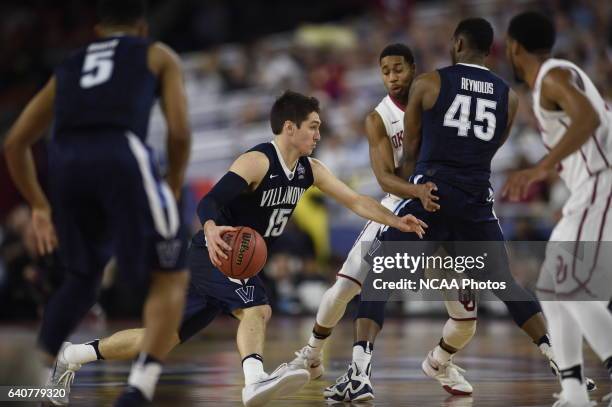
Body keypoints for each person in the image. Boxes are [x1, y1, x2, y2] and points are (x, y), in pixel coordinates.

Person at [54, 90, 427, 407]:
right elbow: (210, 202)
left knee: (158, 339)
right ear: (289, 127)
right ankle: (254, 381)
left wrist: (395, 219)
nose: (318, 132)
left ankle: (72, 355)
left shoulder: (310, 169)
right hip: (215, 252)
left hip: (232, 260)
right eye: (312, 125)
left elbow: (356, 200)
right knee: (258, 308)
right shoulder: (257, 160)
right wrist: (213, 229)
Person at [359, 16, 593, 400]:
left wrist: (412, 185)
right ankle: (563, 368)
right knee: (507, 285)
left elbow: (413, 148)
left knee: (381, 277)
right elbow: (491, 147)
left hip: (431, 196)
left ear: (456, 43)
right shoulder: (510, 96)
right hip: (475, 202)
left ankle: (360, 368)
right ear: (491, 51)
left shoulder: (430, 82)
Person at [3, 1, 191, 405]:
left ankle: (33, 386)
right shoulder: (156, 53)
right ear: (142, 26)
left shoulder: (70, 64)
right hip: (120, 152)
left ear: (98, 30)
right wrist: (173, 184)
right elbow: (178, 132)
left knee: (82, 279)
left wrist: (39, 205)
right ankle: (138, 389)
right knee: (171, 273)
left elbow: (15, 142)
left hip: (65, 164)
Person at [284, 43, 482, 402]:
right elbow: (384, 179)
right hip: (398, 206)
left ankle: (440, 361)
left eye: (398, 69)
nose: (392, 77)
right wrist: (417, 191)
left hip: (442, 212)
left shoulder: (439, 101)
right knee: (348, 286)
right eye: (385, 71)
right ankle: (313, 351)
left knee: (467, 316)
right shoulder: (379, 117)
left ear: (413, 68)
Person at [504, 11, 612, 407]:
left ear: (515, 47)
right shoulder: (553, 78)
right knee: (552, 289)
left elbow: (587, 115)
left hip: (604, 182)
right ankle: (572, 391)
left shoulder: (551, 75)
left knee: (570, 289)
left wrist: (540, 168)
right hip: (590, 187)